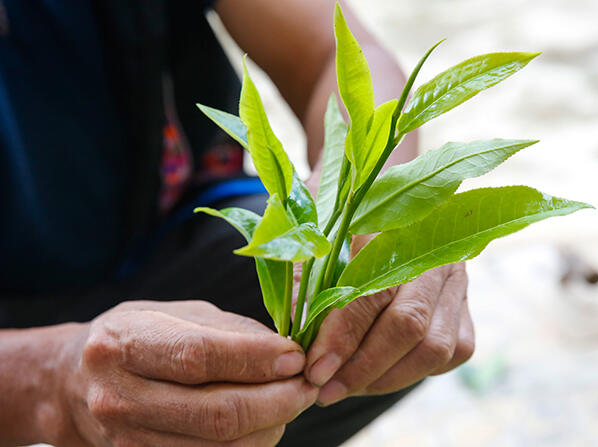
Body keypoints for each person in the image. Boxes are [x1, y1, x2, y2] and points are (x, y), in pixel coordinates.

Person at [0, 0, 474, 445]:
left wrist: (366, 209)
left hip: (161, 229)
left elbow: (338, 52)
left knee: (395, 317)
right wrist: (52, 381)